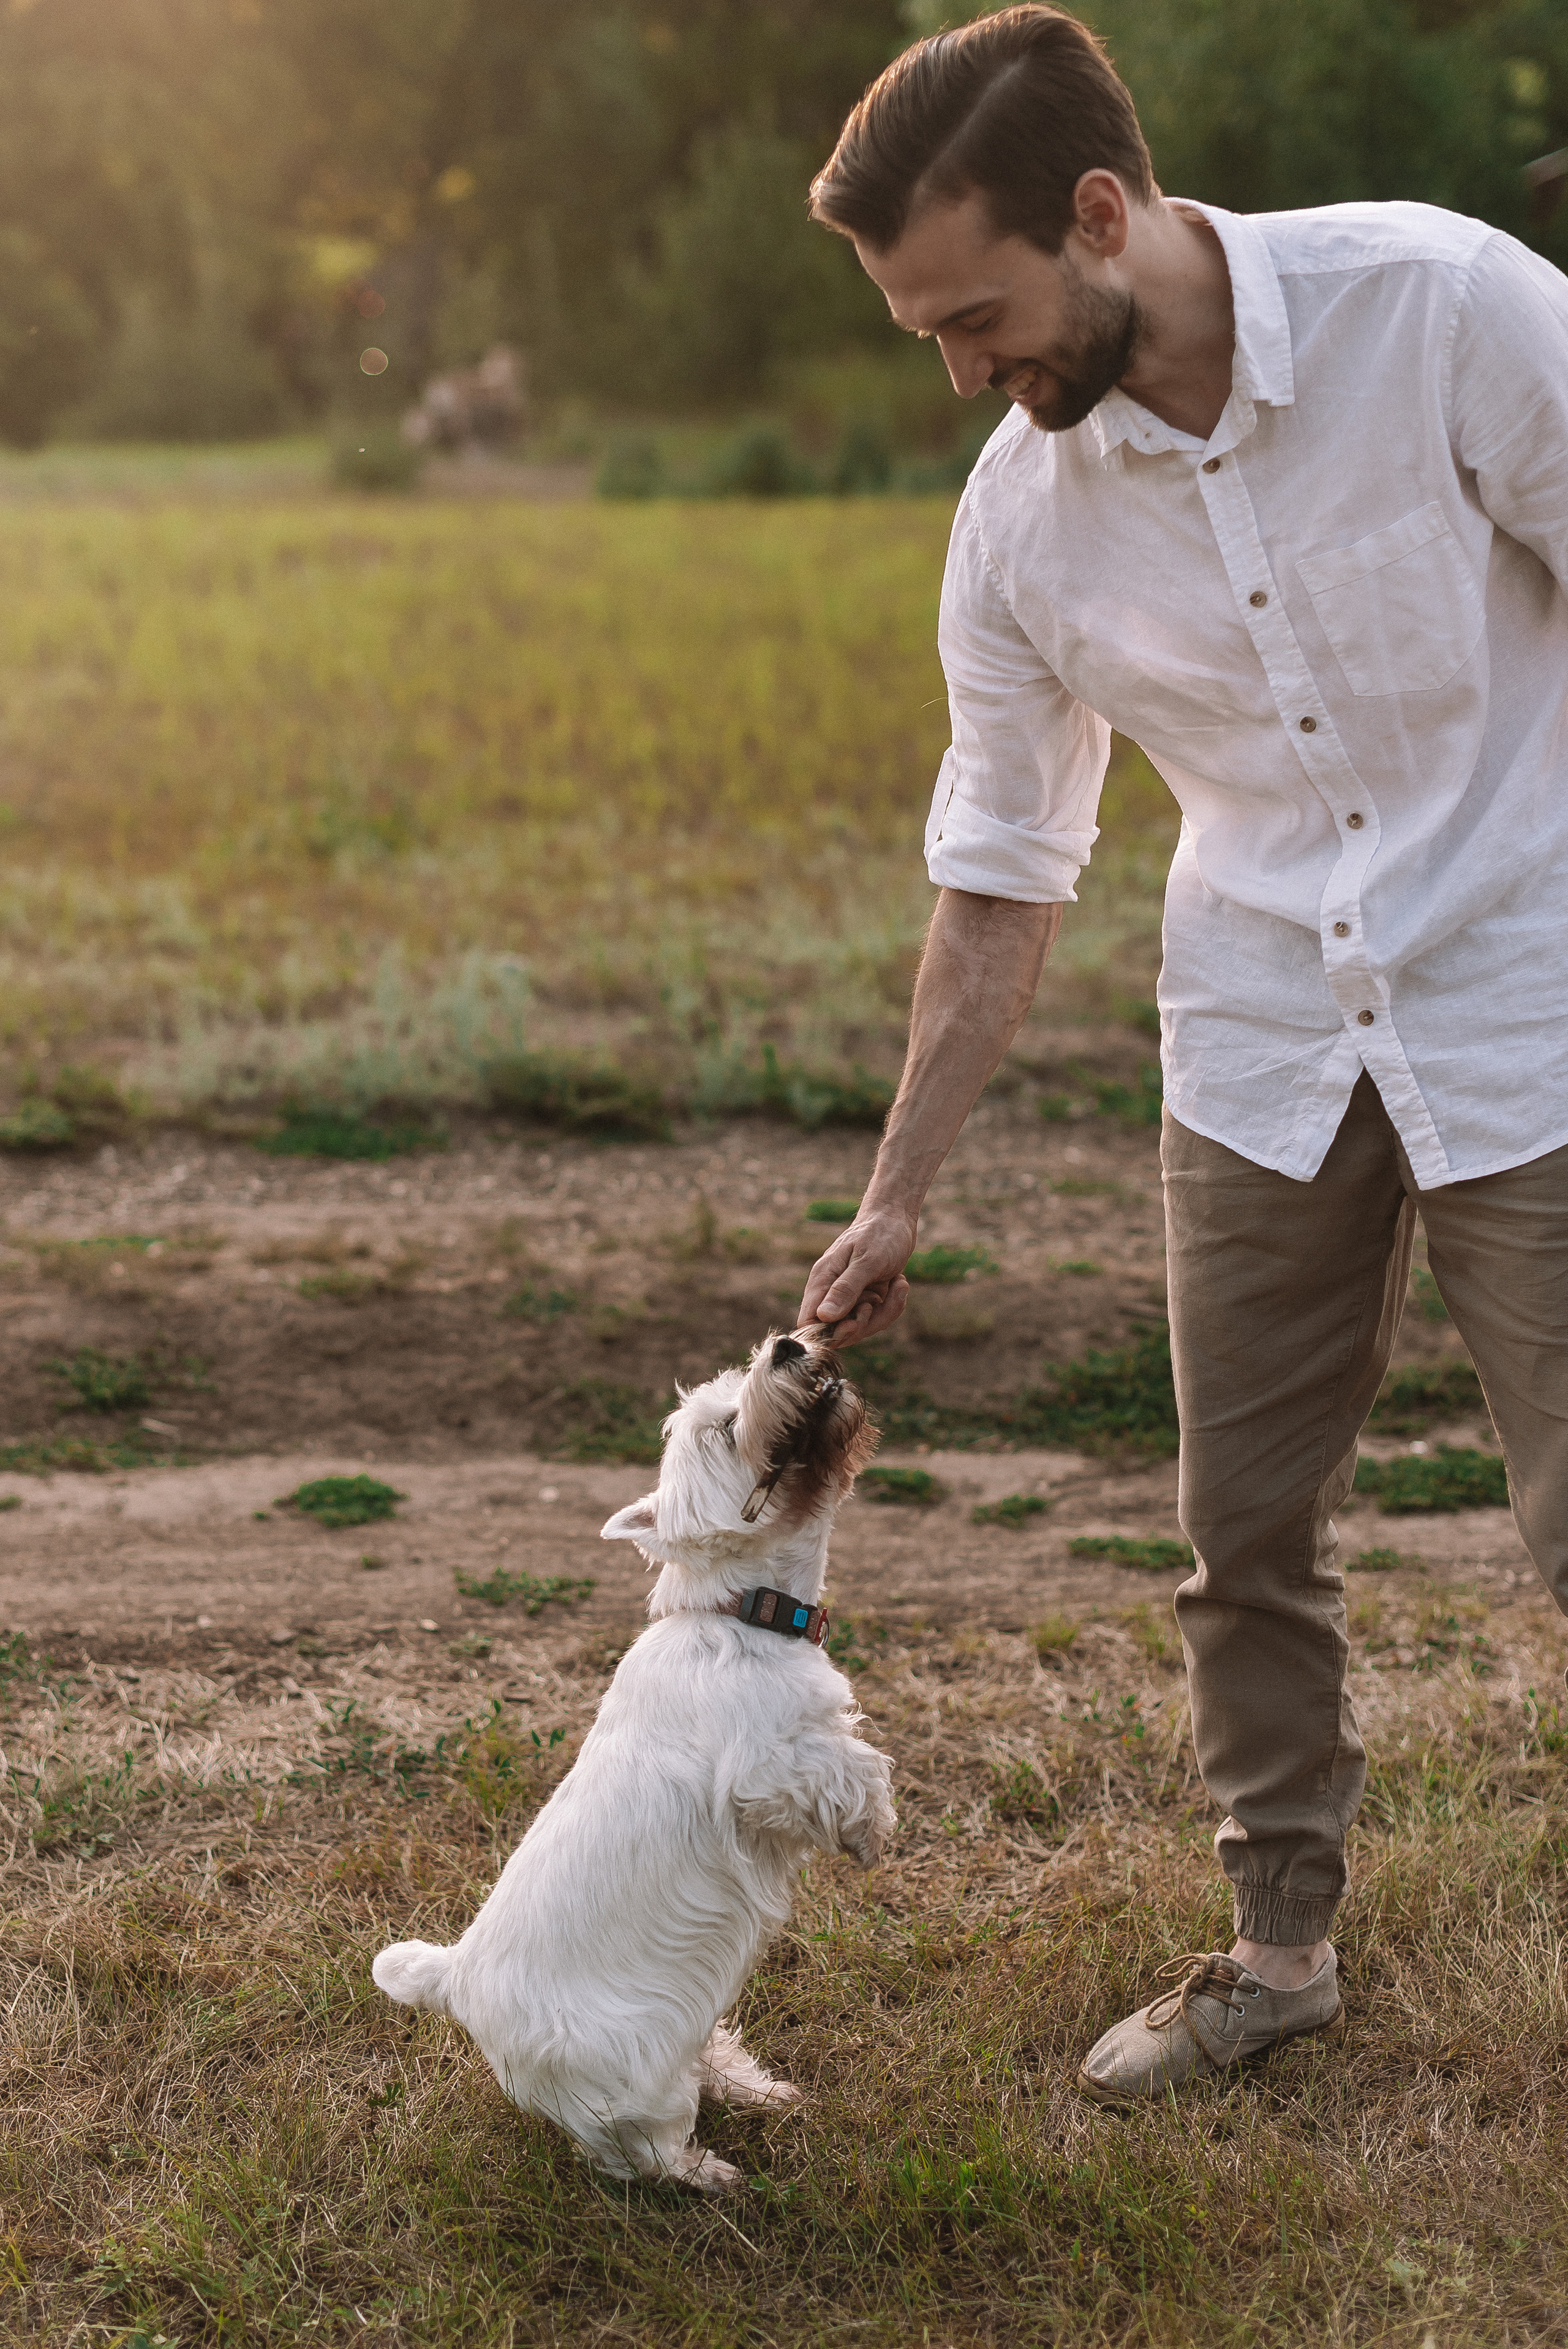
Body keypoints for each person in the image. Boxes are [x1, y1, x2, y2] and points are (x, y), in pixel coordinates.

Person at [799, 2, 1568, 2102]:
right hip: (1260, 1041)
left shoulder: (1452, 312)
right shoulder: (1022, 519)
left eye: (977, 314)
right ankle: (1279, 1944)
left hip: (1536, 996)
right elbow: (1002, 866)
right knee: (1243, 1532)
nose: (962, 369)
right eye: (921, 335)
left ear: (1105, 212)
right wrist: (895, 1193)